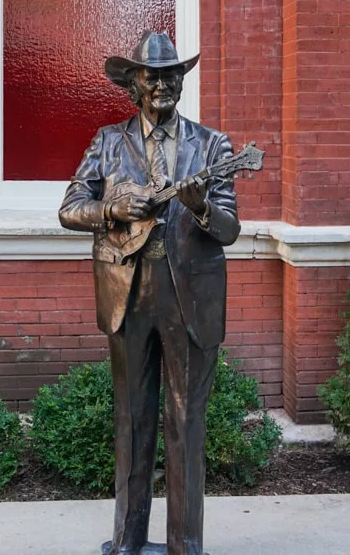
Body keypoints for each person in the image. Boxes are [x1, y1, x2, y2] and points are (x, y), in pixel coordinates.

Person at [59, 31, 241, 555]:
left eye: (172, 74)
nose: (163, 83)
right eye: (152, 74)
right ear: (133, 84)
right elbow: (71, 207)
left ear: (181, 81)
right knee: (132, 419)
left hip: (190, 296)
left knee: (186, 421)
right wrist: (111, 210)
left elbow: (228, 229)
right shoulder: (108, 142)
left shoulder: (213, 146)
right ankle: (127, 540)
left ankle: (185, 545)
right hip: (127, 292)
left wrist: (202, 206)